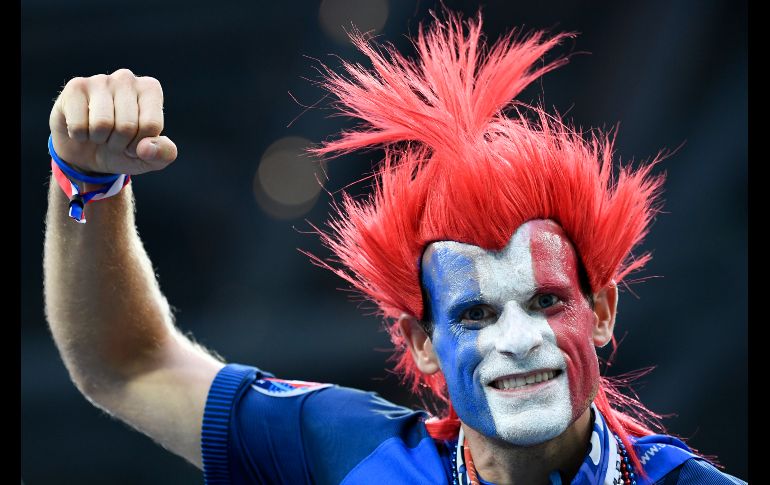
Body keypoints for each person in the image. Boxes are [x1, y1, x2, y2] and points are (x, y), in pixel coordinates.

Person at [42, 9, 746, 485]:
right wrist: (87, 179)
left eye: (548, 300)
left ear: (601, 310)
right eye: (474, 315)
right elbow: (125, 364)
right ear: (421, 342)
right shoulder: (345, 448)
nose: (521, 339)